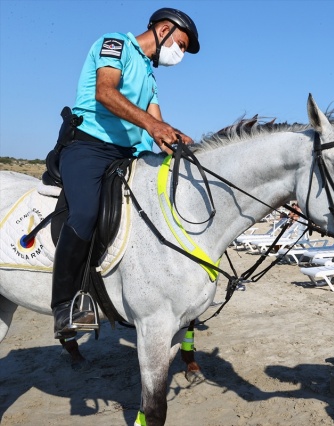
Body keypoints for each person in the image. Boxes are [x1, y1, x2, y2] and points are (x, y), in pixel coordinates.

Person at [51, 8, 200, 339]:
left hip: (125, 154)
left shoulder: (150, 75)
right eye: (181, 44)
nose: (181, 54)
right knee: (87, 213)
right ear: (163, 30)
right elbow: (105, 93)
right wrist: (154, 125)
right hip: (88, 147)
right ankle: (64, 305)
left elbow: (156, 120)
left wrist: (175, 139)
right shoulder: (114, 44)